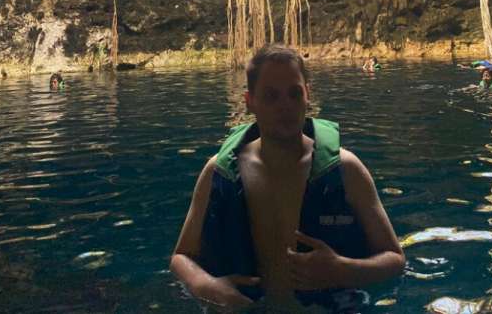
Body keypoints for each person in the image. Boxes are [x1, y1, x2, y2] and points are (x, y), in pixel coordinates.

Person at [169, 44, 404, 311]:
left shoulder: (347, 169)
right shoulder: (218, 172)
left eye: (294, 93)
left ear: (307, 95)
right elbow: (181, 257)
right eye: (271, 96)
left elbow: (395, 259)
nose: (286, 106)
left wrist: (342, 269)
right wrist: (206, 286)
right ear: (250, 102)